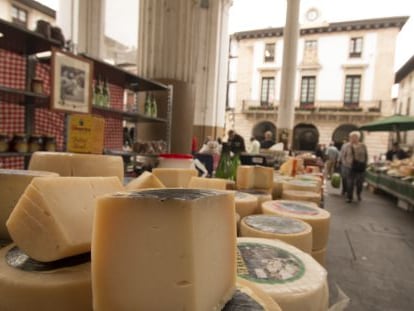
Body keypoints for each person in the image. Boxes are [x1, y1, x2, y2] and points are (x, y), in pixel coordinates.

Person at [340, 131, 368, 203]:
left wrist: (365, 164)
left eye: (355, 137)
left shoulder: (363, 146)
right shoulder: (346, 146)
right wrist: (345, 164)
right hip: (350, 167)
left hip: (360, 167)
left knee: (359, 183)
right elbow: (343, 156)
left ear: (358, 138)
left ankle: (358, 194)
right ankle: (349, 197)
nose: (353, 138)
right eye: (352, 137)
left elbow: (366, 155)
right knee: (350, 182)